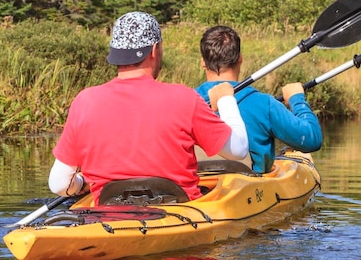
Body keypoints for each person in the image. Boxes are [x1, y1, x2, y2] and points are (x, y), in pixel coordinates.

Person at [49, 11, 248, 203]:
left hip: (108, 218)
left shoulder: (85, 101)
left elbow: (59, 184)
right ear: (154, 50)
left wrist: (81, 182)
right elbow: (238, 150)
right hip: (179, 214)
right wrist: (225, 99)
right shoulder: (184, 97)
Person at [196, 25, 322, 174]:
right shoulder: (264, 104)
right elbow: (311, 140)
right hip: (252, 189)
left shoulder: (183, 103)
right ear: (240, 59)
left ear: (203, 62)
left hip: (199, 191)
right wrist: (297, 100)